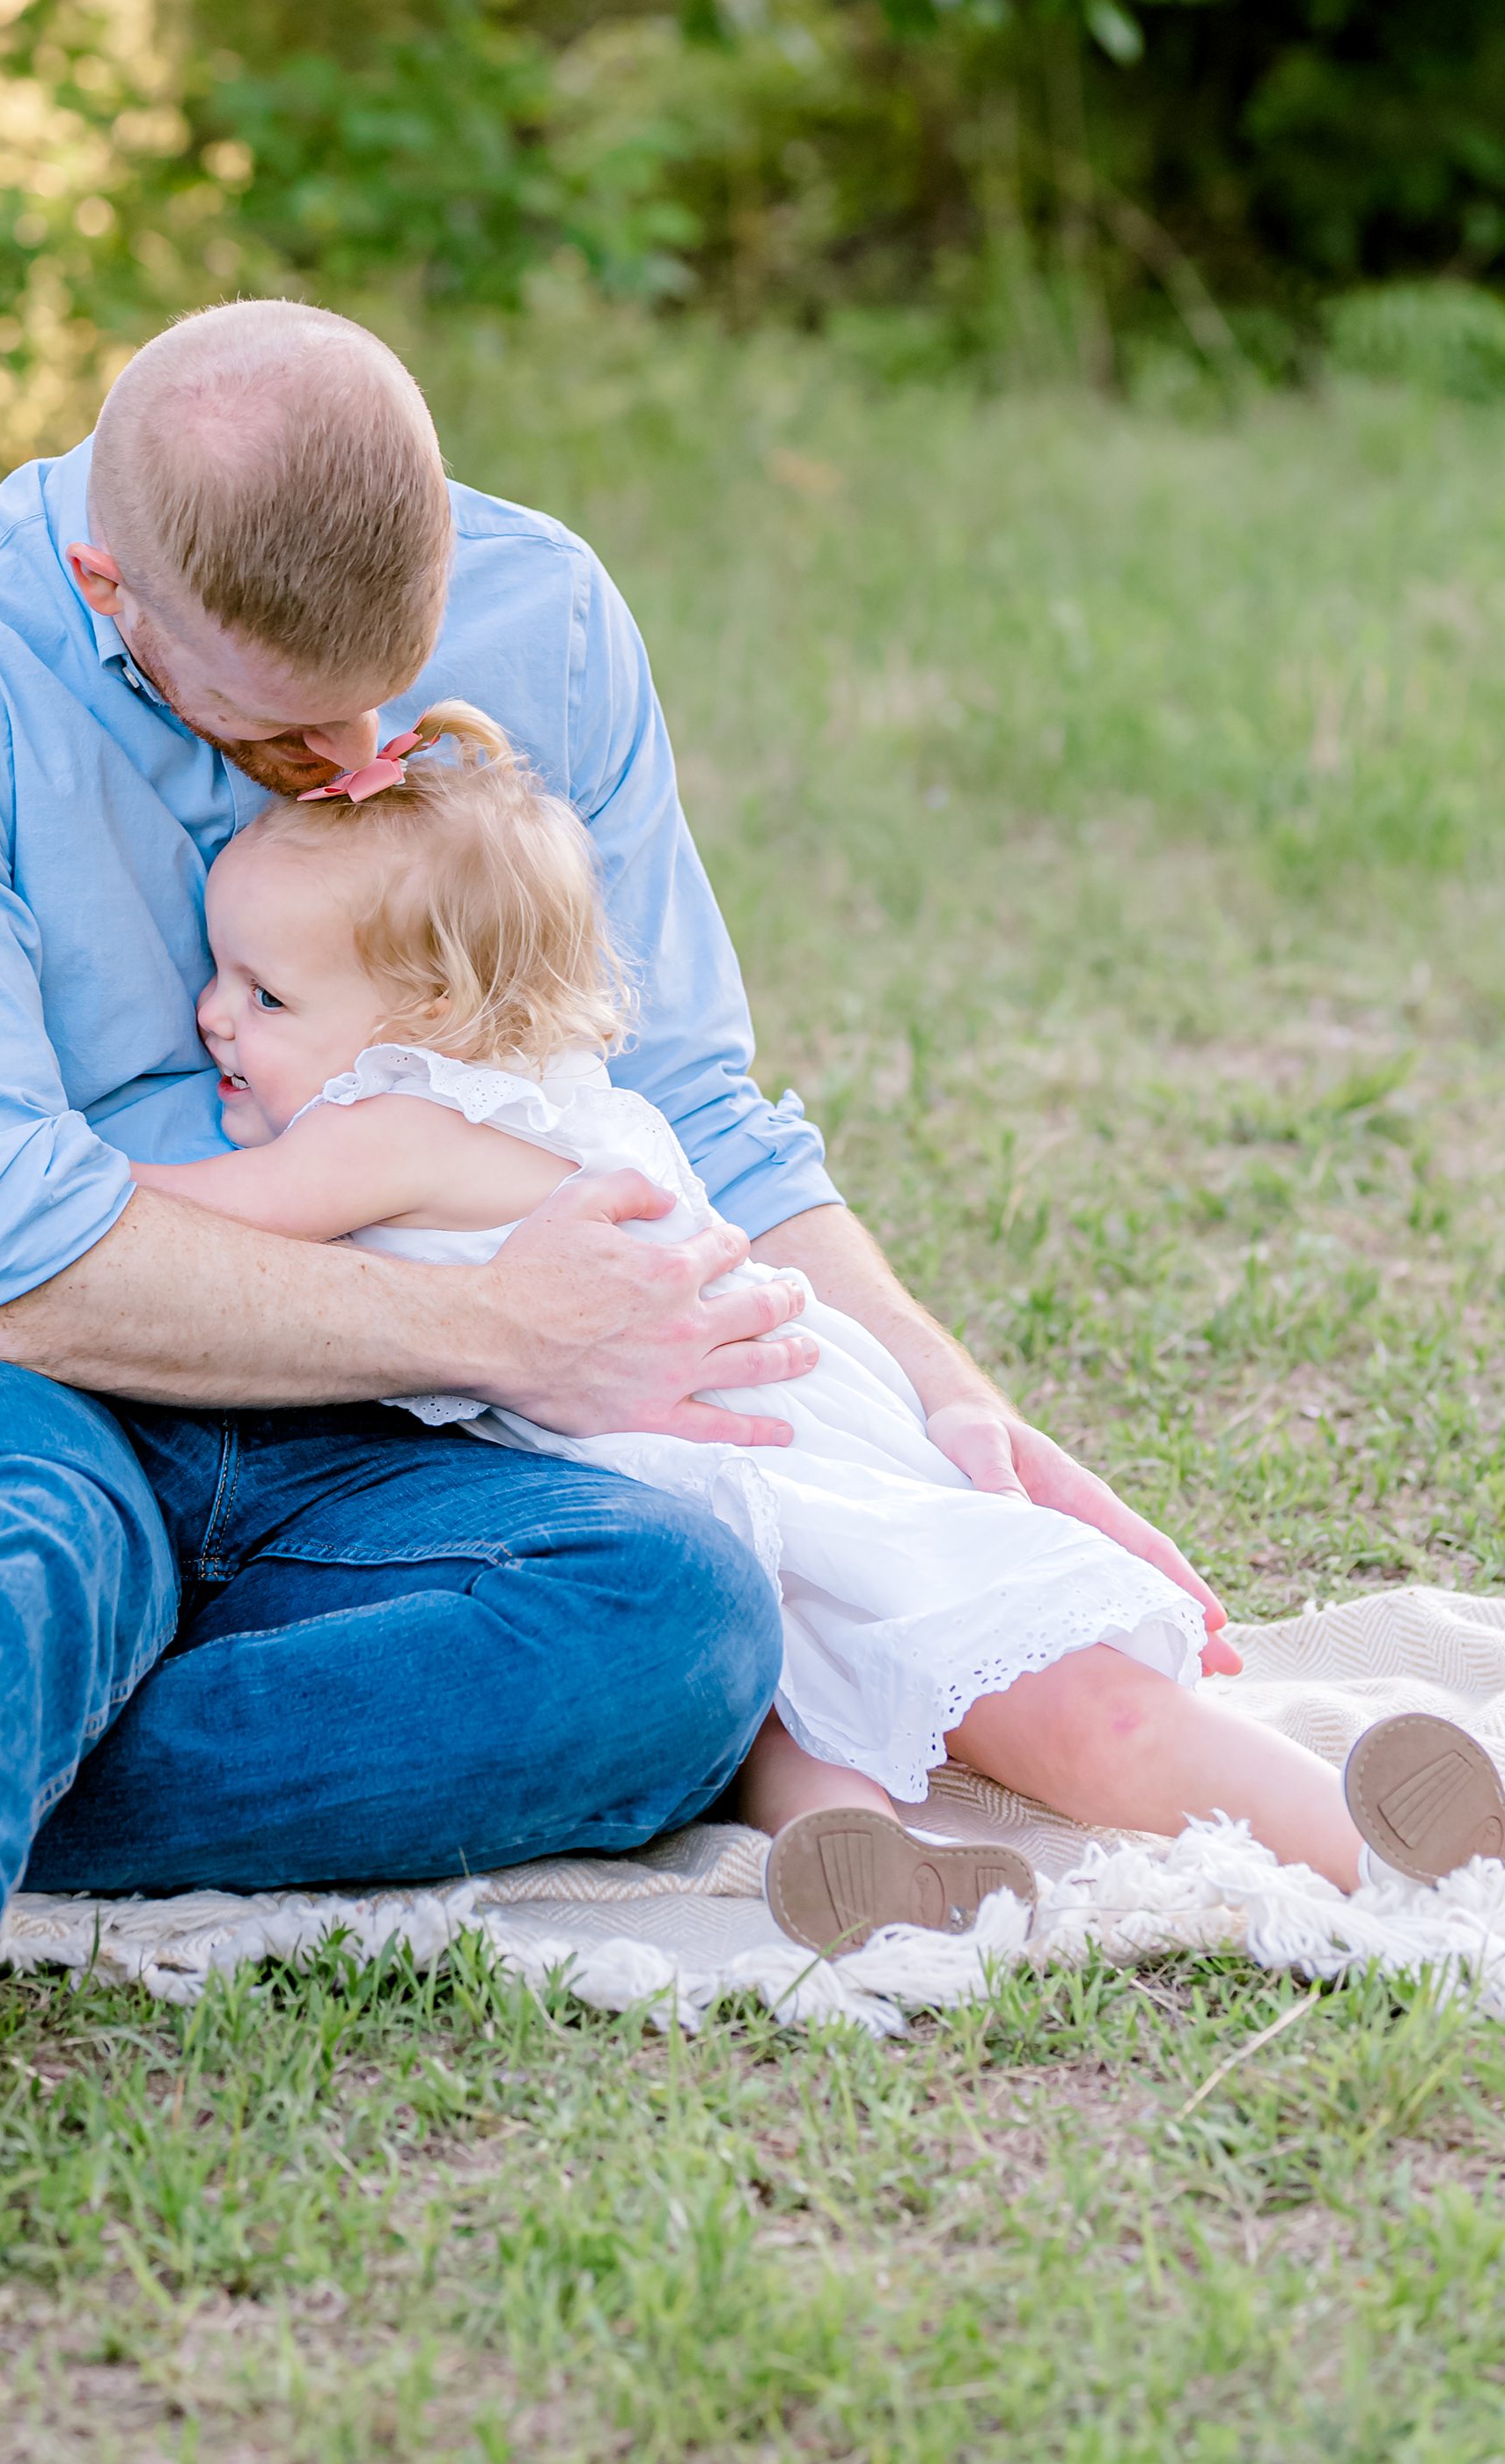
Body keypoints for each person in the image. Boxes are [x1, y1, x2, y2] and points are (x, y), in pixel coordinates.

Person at [0, 301, 1250, 2274]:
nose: (366, 761)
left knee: (682, 1622)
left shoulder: (546, 612)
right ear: (113, 591)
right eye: (289, 733)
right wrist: (499, 1328)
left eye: (393, 697)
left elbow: (682, 1100)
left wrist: (938, 1391)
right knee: (27, 1549)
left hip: (404, 1439)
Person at [141, 699, 1501, 1931]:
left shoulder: (383, 1124)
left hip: (701, 1457)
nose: (211, 1015)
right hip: (784, 1433)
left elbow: (186, 1212)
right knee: (996, 1689)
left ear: (420, 1017)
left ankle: (869, 1837)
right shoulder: (565, 1090)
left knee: (793, 1700)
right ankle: (1312, 1819)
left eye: (263, 993)